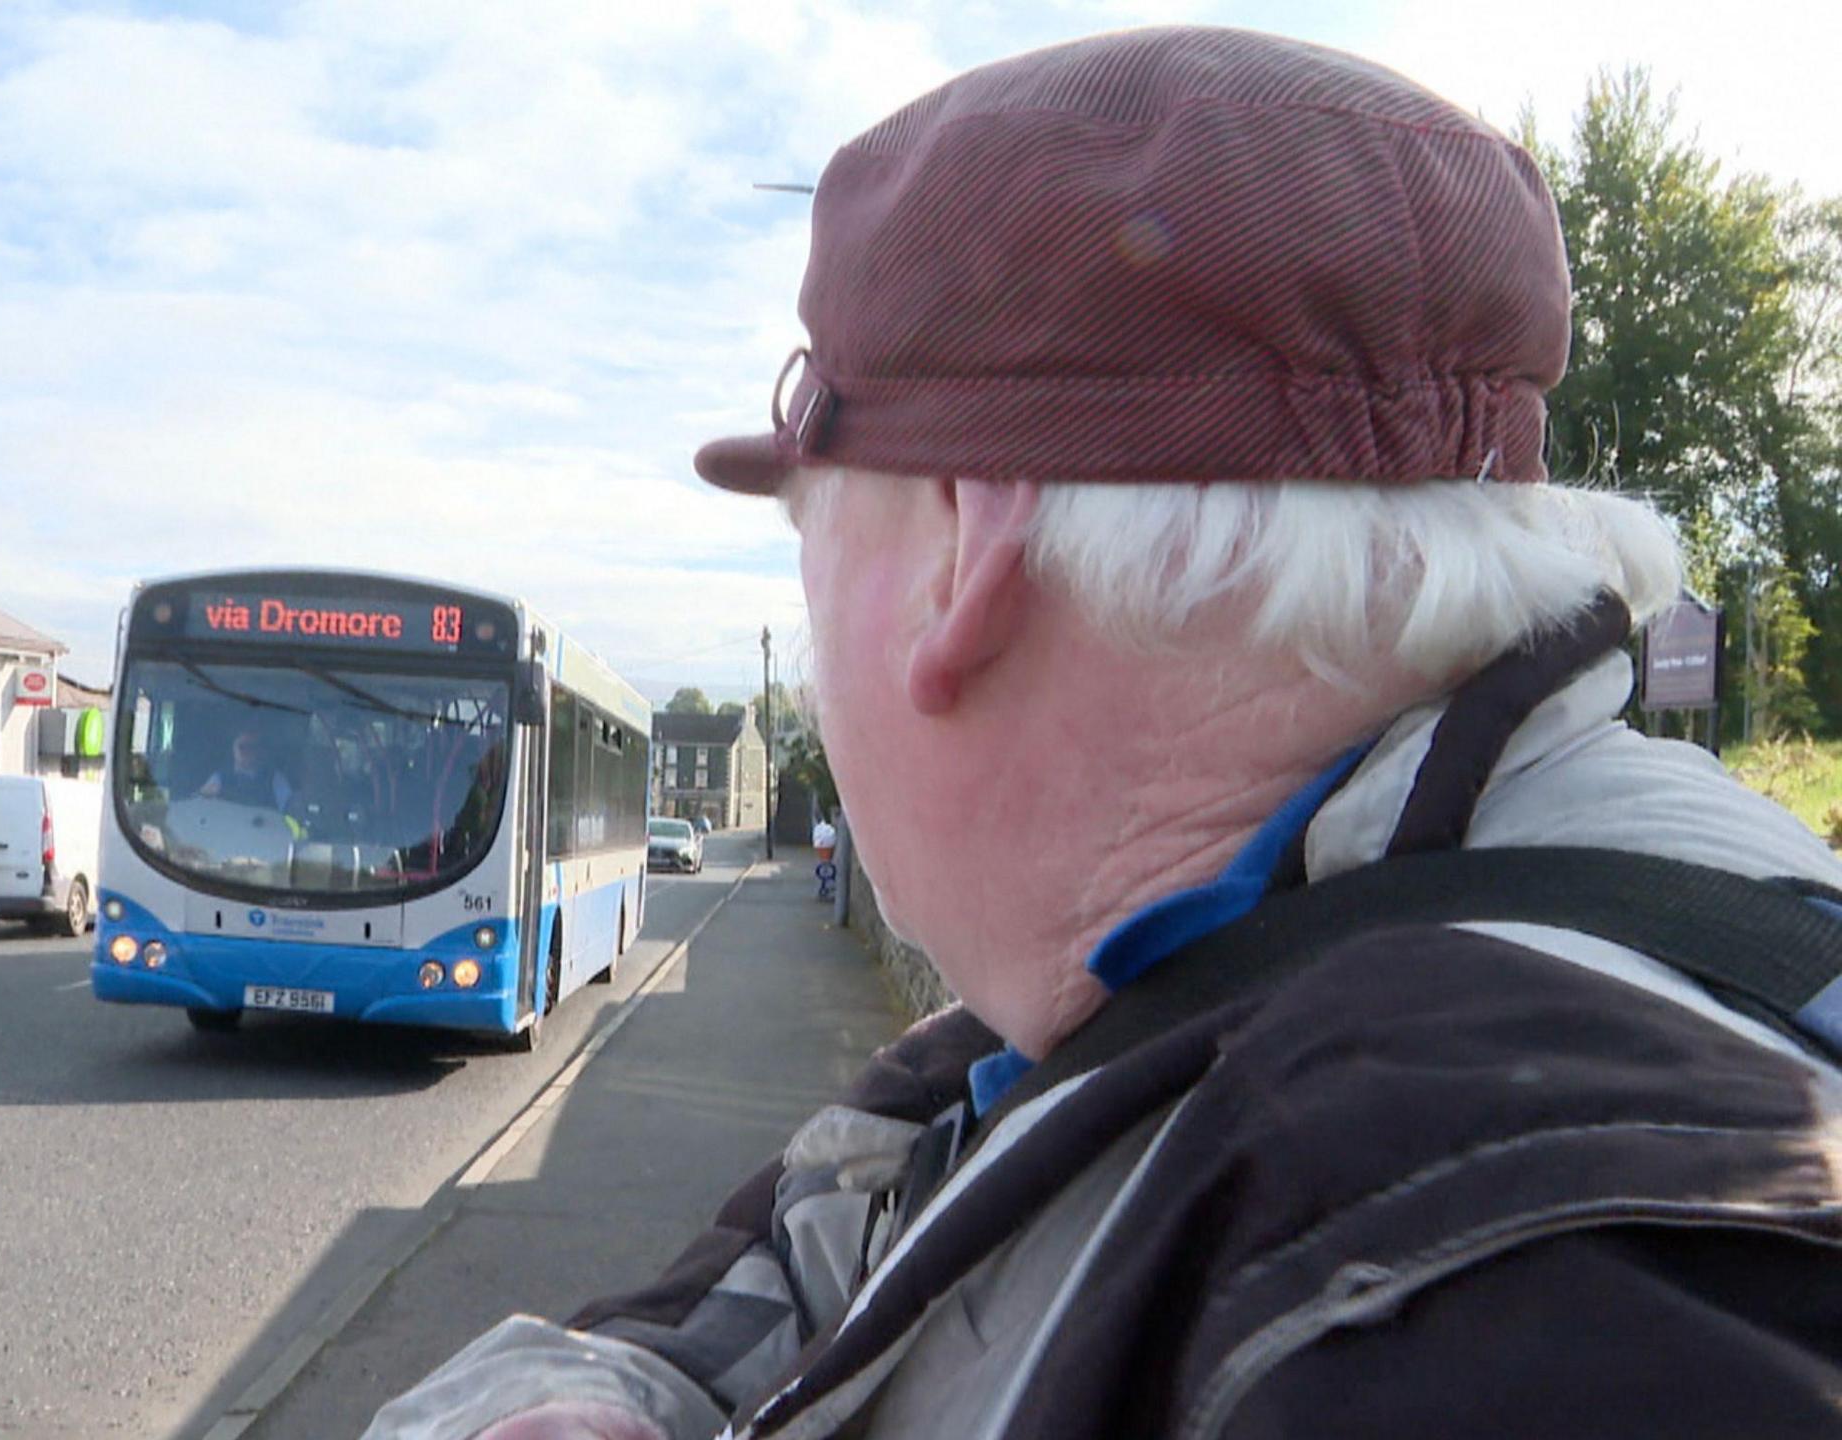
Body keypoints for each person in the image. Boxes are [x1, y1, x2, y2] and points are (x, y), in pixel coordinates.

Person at [366, 27, 1842, 1440]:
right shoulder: (1255, 961)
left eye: (810, 537)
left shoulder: (1469, 1271)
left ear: (964, 554)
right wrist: (620, 1394)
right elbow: (881, 1227)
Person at [196, 724, 294, 811]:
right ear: (233, 748)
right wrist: (205, 794)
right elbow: (202, 806)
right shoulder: (219, 778)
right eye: (242, 747)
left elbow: (289, 810)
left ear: (259, 751)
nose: (246, 752)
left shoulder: (275, 779)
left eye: (252, 747)